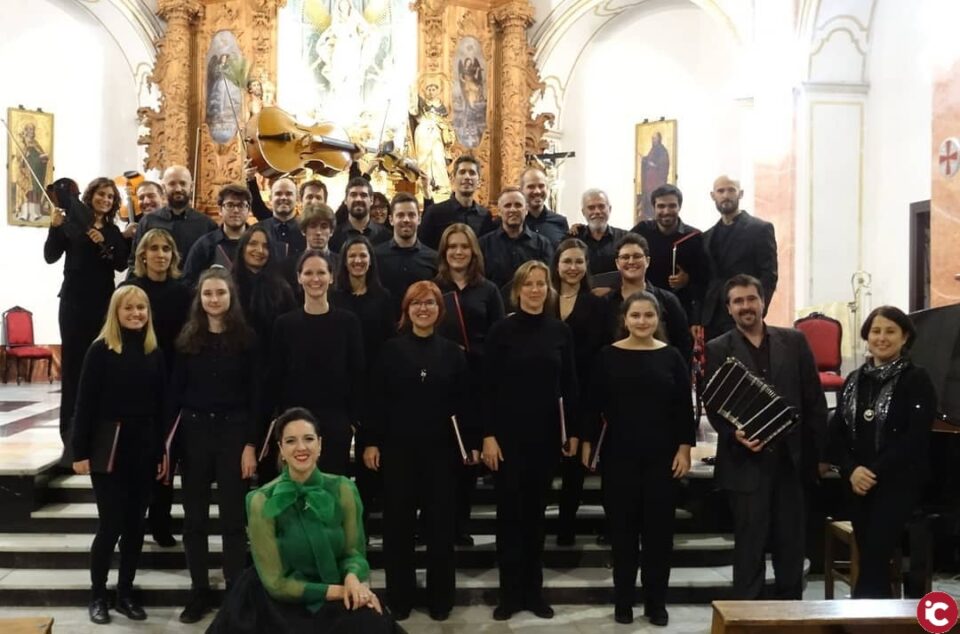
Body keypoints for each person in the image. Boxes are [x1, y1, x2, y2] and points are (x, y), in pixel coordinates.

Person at [207, 407, 403, 634]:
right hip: (278, 602)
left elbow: (354, 553)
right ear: (281, 449)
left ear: (319, 445)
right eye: (291, 441)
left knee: (374, 623)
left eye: (308, 439)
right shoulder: (260, 500)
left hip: (336, 587)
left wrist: (352, 578)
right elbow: (276, 583)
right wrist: (340, 591)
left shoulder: (344, 489)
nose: (301, 447)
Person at [704, 274, 827, 600]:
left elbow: (813, 399)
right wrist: (735, 435)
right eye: (738, 301)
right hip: (746, 463)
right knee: (749, 547)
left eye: (751, 299)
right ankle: (747, 619)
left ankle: (790, 618)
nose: (746, 306)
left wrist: (821, 456)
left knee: (791, 546)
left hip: (791, 461)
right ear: (729, 309)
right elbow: (714, 405)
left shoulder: (796, 341)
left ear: (762, 302)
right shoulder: (718, 348)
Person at [364, 281, 478, 622]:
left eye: (429, 303)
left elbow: (466, 403)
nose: (423, 309)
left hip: (441, 454)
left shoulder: (454, 353)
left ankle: (440, 598)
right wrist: (371, 441)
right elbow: (376, 401)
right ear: (407, 309)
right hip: (399, 452)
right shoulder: (390, 351)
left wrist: (469, 444)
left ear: (439, 310)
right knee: (398, 529)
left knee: (441, 529)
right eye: (416, 303)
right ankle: (400, 597)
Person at [581, 291, 695, 626]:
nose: (642, 321)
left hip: (662, 457)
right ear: (625, 320)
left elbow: (682, 409)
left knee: (659, 534)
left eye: (648, 316)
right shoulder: (607, 356)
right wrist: (587, 441)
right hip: (619, 455)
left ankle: (656, 602)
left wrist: (684, 448)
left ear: (658, 319)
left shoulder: (672, 357)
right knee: (623, 533)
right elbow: (592, 404)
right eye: (635, 316)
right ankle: (624, 602)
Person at [481, 260, 579, 620]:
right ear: (517, 289)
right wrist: (488, 435)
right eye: (529, 284)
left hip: (546, 437)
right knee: (510, 518)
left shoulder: (559, 332)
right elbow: (487, 389)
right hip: (507, 439)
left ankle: (533, 593)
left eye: (542, 284)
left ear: (548, 289)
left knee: (536, 518)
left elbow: (570, 385)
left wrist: (572, 434)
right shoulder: (500, 332)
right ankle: (509, 595)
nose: (536, 290)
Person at [167, 269, 259, 623]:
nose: (214, 299)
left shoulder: (247, 339)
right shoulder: (187, 339)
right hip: (194, 435)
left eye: (220, 293)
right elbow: (175, 395)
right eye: (208, 294)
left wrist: (251, 443)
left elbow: (255, 397)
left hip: (234, 434)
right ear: (200, 299)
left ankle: (234, 592)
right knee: (194, 520)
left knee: (234, 519)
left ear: (231, 296)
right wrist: (170, 449)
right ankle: (199, 591)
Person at [71, 285, 166, 625]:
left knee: (136, 526)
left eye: (141, 308)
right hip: (108, 445)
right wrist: (78, 451)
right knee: (111, 524)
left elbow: (160, 406)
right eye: (129, 308)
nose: (136, 313)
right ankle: (98, 594)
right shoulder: (100, 350)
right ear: (116, 311)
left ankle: (125, 593)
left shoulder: (154, 350)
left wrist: (160, 452)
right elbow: (84, 404)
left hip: (143, 445)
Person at [828, 306, 938, 598]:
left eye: (890, 331)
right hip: (857, 486)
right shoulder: (853, 380)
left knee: (874, 560)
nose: (882, 337)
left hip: (897, 485)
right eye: (876, 331)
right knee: (871, 557)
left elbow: (914, 439)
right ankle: (879, 618)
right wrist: (852, 471)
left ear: (904, 338)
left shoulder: (917, 379)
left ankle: (866, 619)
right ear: (867, 336)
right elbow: (836, 434)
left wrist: (872, 472)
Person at [44, 177, 129, 462]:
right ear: (90, 196)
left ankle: (98, 439)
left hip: (103, 306)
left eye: (109, 196)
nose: (105, 199)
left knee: (101, 369)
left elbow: (119, 263)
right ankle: (70, 441)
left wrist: (105, 241)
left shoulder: (114, 231)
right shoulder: (71, 224)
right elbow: (50, 257)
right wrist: (54, 229)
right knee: (73, 369)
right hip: (73, 304)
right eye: (100, 194)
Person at [434, 223, 505, 545]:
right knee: (443, 457)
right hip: (442, 383)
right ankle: (438, 523)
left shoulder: (488, 290)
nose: (458, 252)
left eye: (464, 247)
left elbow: (500, 338)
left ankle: (460, 524)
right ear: (444, 253)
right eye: (452, 248)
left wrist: (471, 352)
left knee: (469, 457)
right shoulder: (434, 288)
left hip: (478, 382)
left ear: (473, 251)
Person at [266, 251, 365, 477]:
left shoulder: (348, 322)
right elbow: (276, 377)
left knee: (331, 494)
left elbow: (358, 374)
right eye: (308, 273)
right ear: (299, 277)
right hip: (295, 423)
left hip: (336, 423)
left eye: (321, 272)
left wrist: (352, 422)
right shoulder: (284, 325)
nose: (315, 279)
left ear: (331, 277)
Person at [125, 228, 192, 547]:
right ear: (142, 255)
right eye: (154, 249)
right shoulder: (131, 288)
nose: (160, 254)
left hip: (172, 379)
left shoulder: (183, 291)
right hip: (137, 380)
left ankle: (161, 523)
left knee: (166, 452)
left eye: (166, 248)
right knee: (138, 458)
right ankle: (132, 526)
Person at [550, 238, 609, 546]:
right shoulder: (544, 297)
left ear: (587, 266)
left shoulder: (596, 302)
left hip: (583, 388)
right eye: (566, 261)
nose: (572, 268)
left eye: (578, 262)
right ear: (556, 265)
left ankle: (566, 525)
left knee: (575, 461)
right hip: (546, 389)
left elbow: (601, 349)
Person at [702, 176, 778, 340]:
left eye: (731, 190)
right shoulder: (707, 236)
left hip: (744, 312)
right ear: (713, 195)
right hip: (712, 317)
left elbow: (769, 275)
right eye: (721, 191)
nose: (726, 195)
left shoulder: (760, 229)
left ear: (740, 194)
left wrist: (758, 310)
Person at [600, 234, 693, 365]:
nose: (631, 261)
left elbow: (683, 346)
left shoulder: (668, 301)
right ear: (617, 263)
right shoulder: (605, 303)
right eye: (625, 257)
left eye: (637, 256)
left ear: (647, 261)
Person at [631, 184, 710, 332]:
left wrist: (687, 279)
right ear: (654, 207)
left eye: (672, 206)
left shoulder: (694, 237)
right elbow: (620, 248)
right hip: (646, 307)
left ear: (679, 207)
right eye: (661, 206)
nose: (666, 211)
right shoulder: (642, 231)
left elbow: (704, 280)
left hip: (681, 310)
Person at [128, 166, 216, 273]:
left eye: (183, 183)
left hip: (193, 288)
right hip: (157, 287)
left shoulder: (207, 224)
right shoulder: (148, 222)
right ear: (164, 187)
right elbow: (135, 262)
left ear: (191, 186)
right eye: (172, 184)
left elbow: (212, 265)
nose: (178, 189)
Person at [232, 225, 298, 348]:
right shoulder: (228, 285)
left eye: (266, 246)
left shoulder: (282, 288)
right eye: (253, 244)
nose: (260, 250)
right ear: (242, 247)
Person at [478, 187, 555, 291]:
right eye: (507, 205)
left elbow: (548, 280)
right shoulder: (484, 244)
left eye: (518, 205)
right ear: (499, 211)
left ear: (526, 209)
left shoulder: (542, 244)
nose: (513, 210)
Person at [374, 193, 438, 312]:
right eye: (400, 215)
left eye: (411, 215)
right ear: (391, 219)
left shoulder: (434, 258)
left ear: (419, 219)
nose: (406, 220)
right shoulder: (375, 256)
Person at [419, 155, 497, 250]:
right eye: (462, 172)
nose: (467, 177)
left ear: (479, 182)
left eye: (472, 173)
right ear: (453, 179)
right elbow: (424, 248)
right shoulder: (435, 212)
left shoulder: (485, 216)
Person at [181, 183, 251, 286]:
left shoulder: (259, 243)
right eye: (230, 205)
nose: (236, 210)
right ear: (220, 210)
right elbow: (188, 282)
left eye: (241, 205)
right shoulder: (204, 245)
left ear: (248, 210)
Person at [251, 177, 307, 266]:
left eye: (289, 194)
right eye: (278, 194)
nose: (284, 197)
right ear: (270, 198)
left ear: (297, 199)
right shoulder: (257, 230)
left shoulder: (307, 231)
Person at [572, 188, 627, 276]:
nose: (597, 211)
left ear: (609, 209)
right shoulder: (573, 239)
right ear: (583, 212)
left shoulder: (625, 238)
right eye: (591, 208)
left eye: (601, 206)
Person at [330, 178, 391, 253]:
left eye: (363, 195)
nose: (358, 199)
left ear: (371, 200)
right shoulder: (333, 237)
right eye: (353, 195)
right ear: (345, 200)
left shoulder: (386, 236)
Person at [520, 166, 569, 248]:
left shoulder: (560, 222)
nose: (537, 191)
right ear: (521, 190)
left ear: (547, 188)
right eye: (531, 186)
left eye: (541, 186)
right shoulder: (515, 223)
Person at [300, 202, 340, 277]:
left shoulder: (342, 263)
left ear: (331, 231)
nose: (318, 232)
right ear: (303, 230)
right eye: (313, 226)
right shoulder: (290, 265)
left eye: (324, 227)